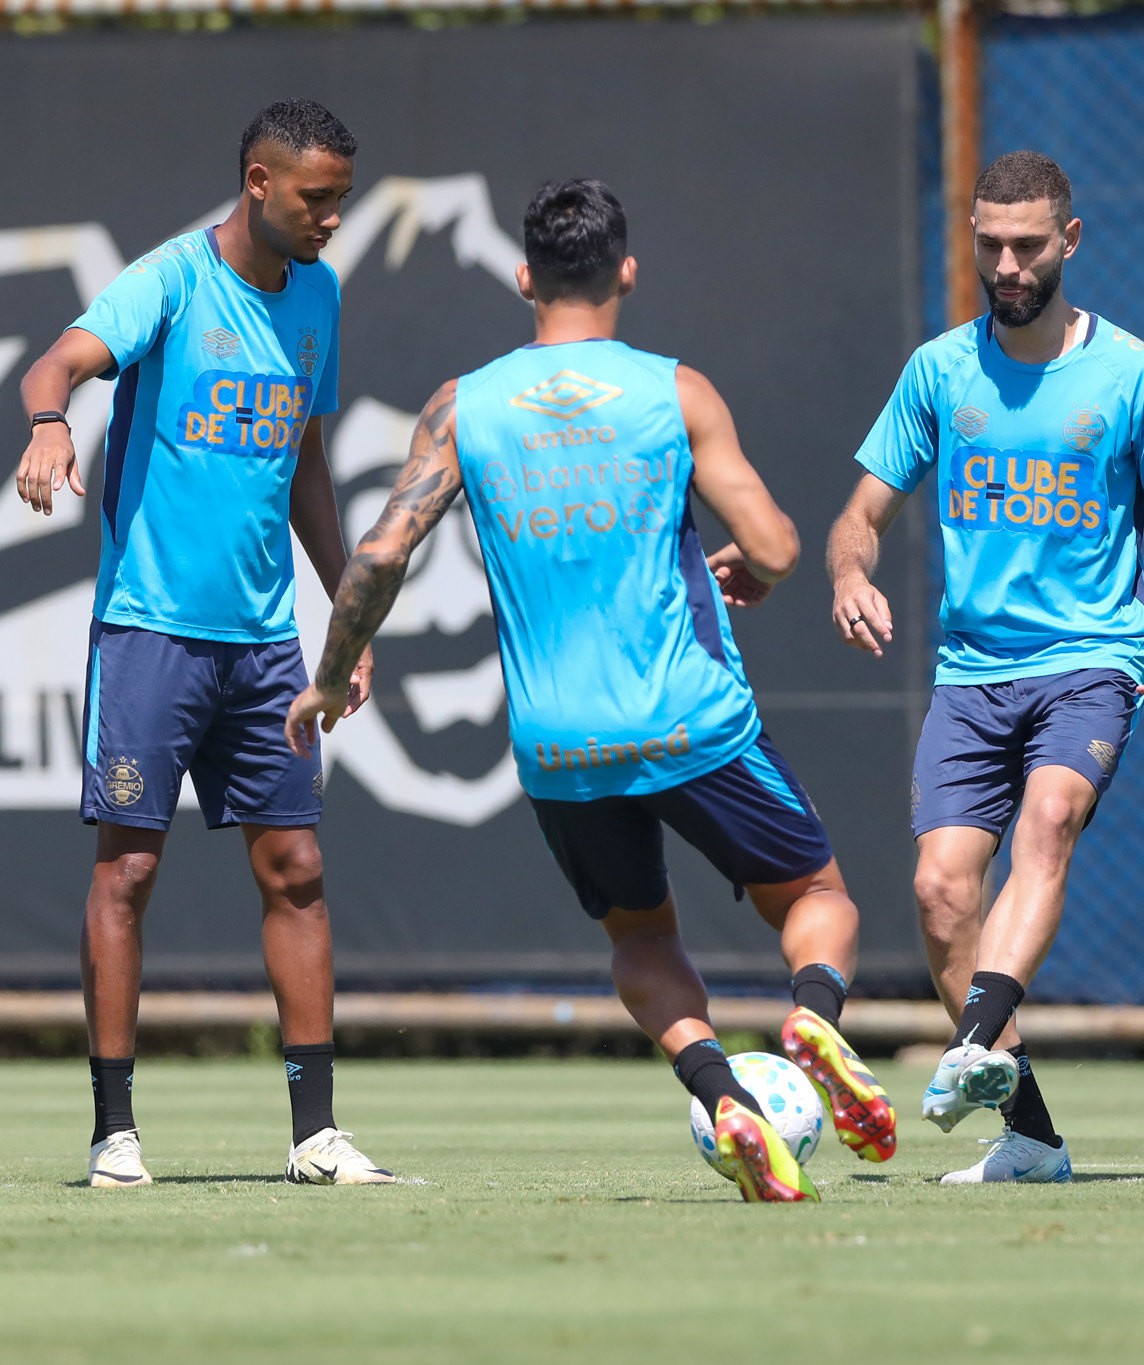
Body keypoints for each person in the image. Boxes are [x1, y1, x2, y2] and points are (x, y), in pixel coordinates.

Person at [286, 178, 894, 1203]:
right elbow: (780, 544)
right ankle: (813, 1020)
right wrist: (754, 566)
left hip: (560, 745)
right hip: (691, 720)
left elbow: (382, 552)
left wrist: (334, 671)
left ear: (525, 278)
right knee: (818, 897)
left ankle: (721, 1094)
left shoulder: (463, 405)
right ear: (627, 272)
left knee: (642, 936)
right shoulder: (674, 392)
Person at [12, 99, 391, 1189]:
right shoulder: (170, 281)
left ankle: (316, 1134)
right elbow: (55, 366)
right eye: (316, 198)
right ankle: (114, 1132)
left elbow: (305, 460)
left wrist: (348, 615)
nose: (331, 218)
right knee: (127, 871)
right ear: (259, 183)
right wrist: (48, 426)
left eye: (342, 199)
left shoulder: (318, 293)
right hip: (151, 632)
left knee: (298, 869)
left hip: (266, 644)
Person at [826, 150, 1144, 1184]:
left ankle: (970, 1043)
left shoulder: (1135, 375)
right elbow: (859, 516)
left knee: (1047, 824)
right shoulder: (938, 372)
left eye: (1028, 245)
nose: (1006, 266)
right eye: (990, 244)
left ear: (1070, 241)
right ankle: (1032, 1136)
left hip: (1091, 661)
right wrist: (850, 574)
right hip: (971, 675)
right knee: (939, 892)